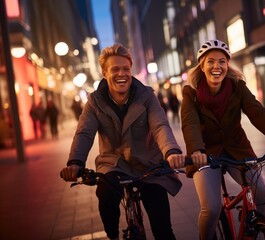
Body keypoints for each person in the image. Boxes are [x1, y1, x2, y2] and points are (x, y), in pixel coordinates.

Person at [60, 43, 185, 240]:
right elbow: (84, 133)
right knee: (106, 194)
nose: (122, 74)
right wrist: (75, 163)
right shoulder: (94, 101)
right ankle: (112, 236)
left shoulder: (146, 96)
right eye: (115, 69)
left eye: (126, 69)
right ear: (104, 73)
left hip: (149, 164)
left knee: (163, 228)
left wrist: (171, 152)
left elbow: (160, 125)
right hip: (114, 164)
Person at [180, 39, 265, 240]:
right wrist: (196, 150)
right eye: (210, 61)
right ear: (201, 65)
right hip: (205, 152)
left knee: (261, 193)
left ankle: (251, 228)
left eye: (222, 61)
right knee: (211, 208)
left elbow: (257, 113)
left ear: (228, 64)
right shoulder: (190, 94)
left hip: (237, 149)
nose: (216, 66)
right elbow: (189, 123)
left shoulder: (238, 87)